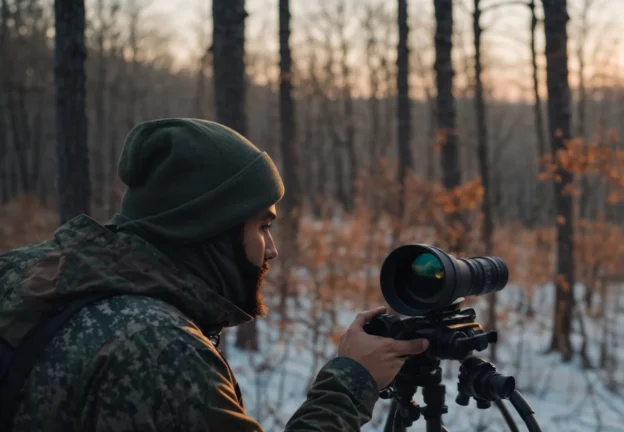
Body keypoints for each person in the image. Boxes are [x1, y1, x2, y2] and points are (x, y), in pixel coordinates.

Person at [0, 118, 429, 431]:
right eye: (262, 226)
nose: (272, 249)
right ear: (208, 228)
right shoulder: (158, 346)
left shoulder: (21, 272)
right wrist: (352, 379)